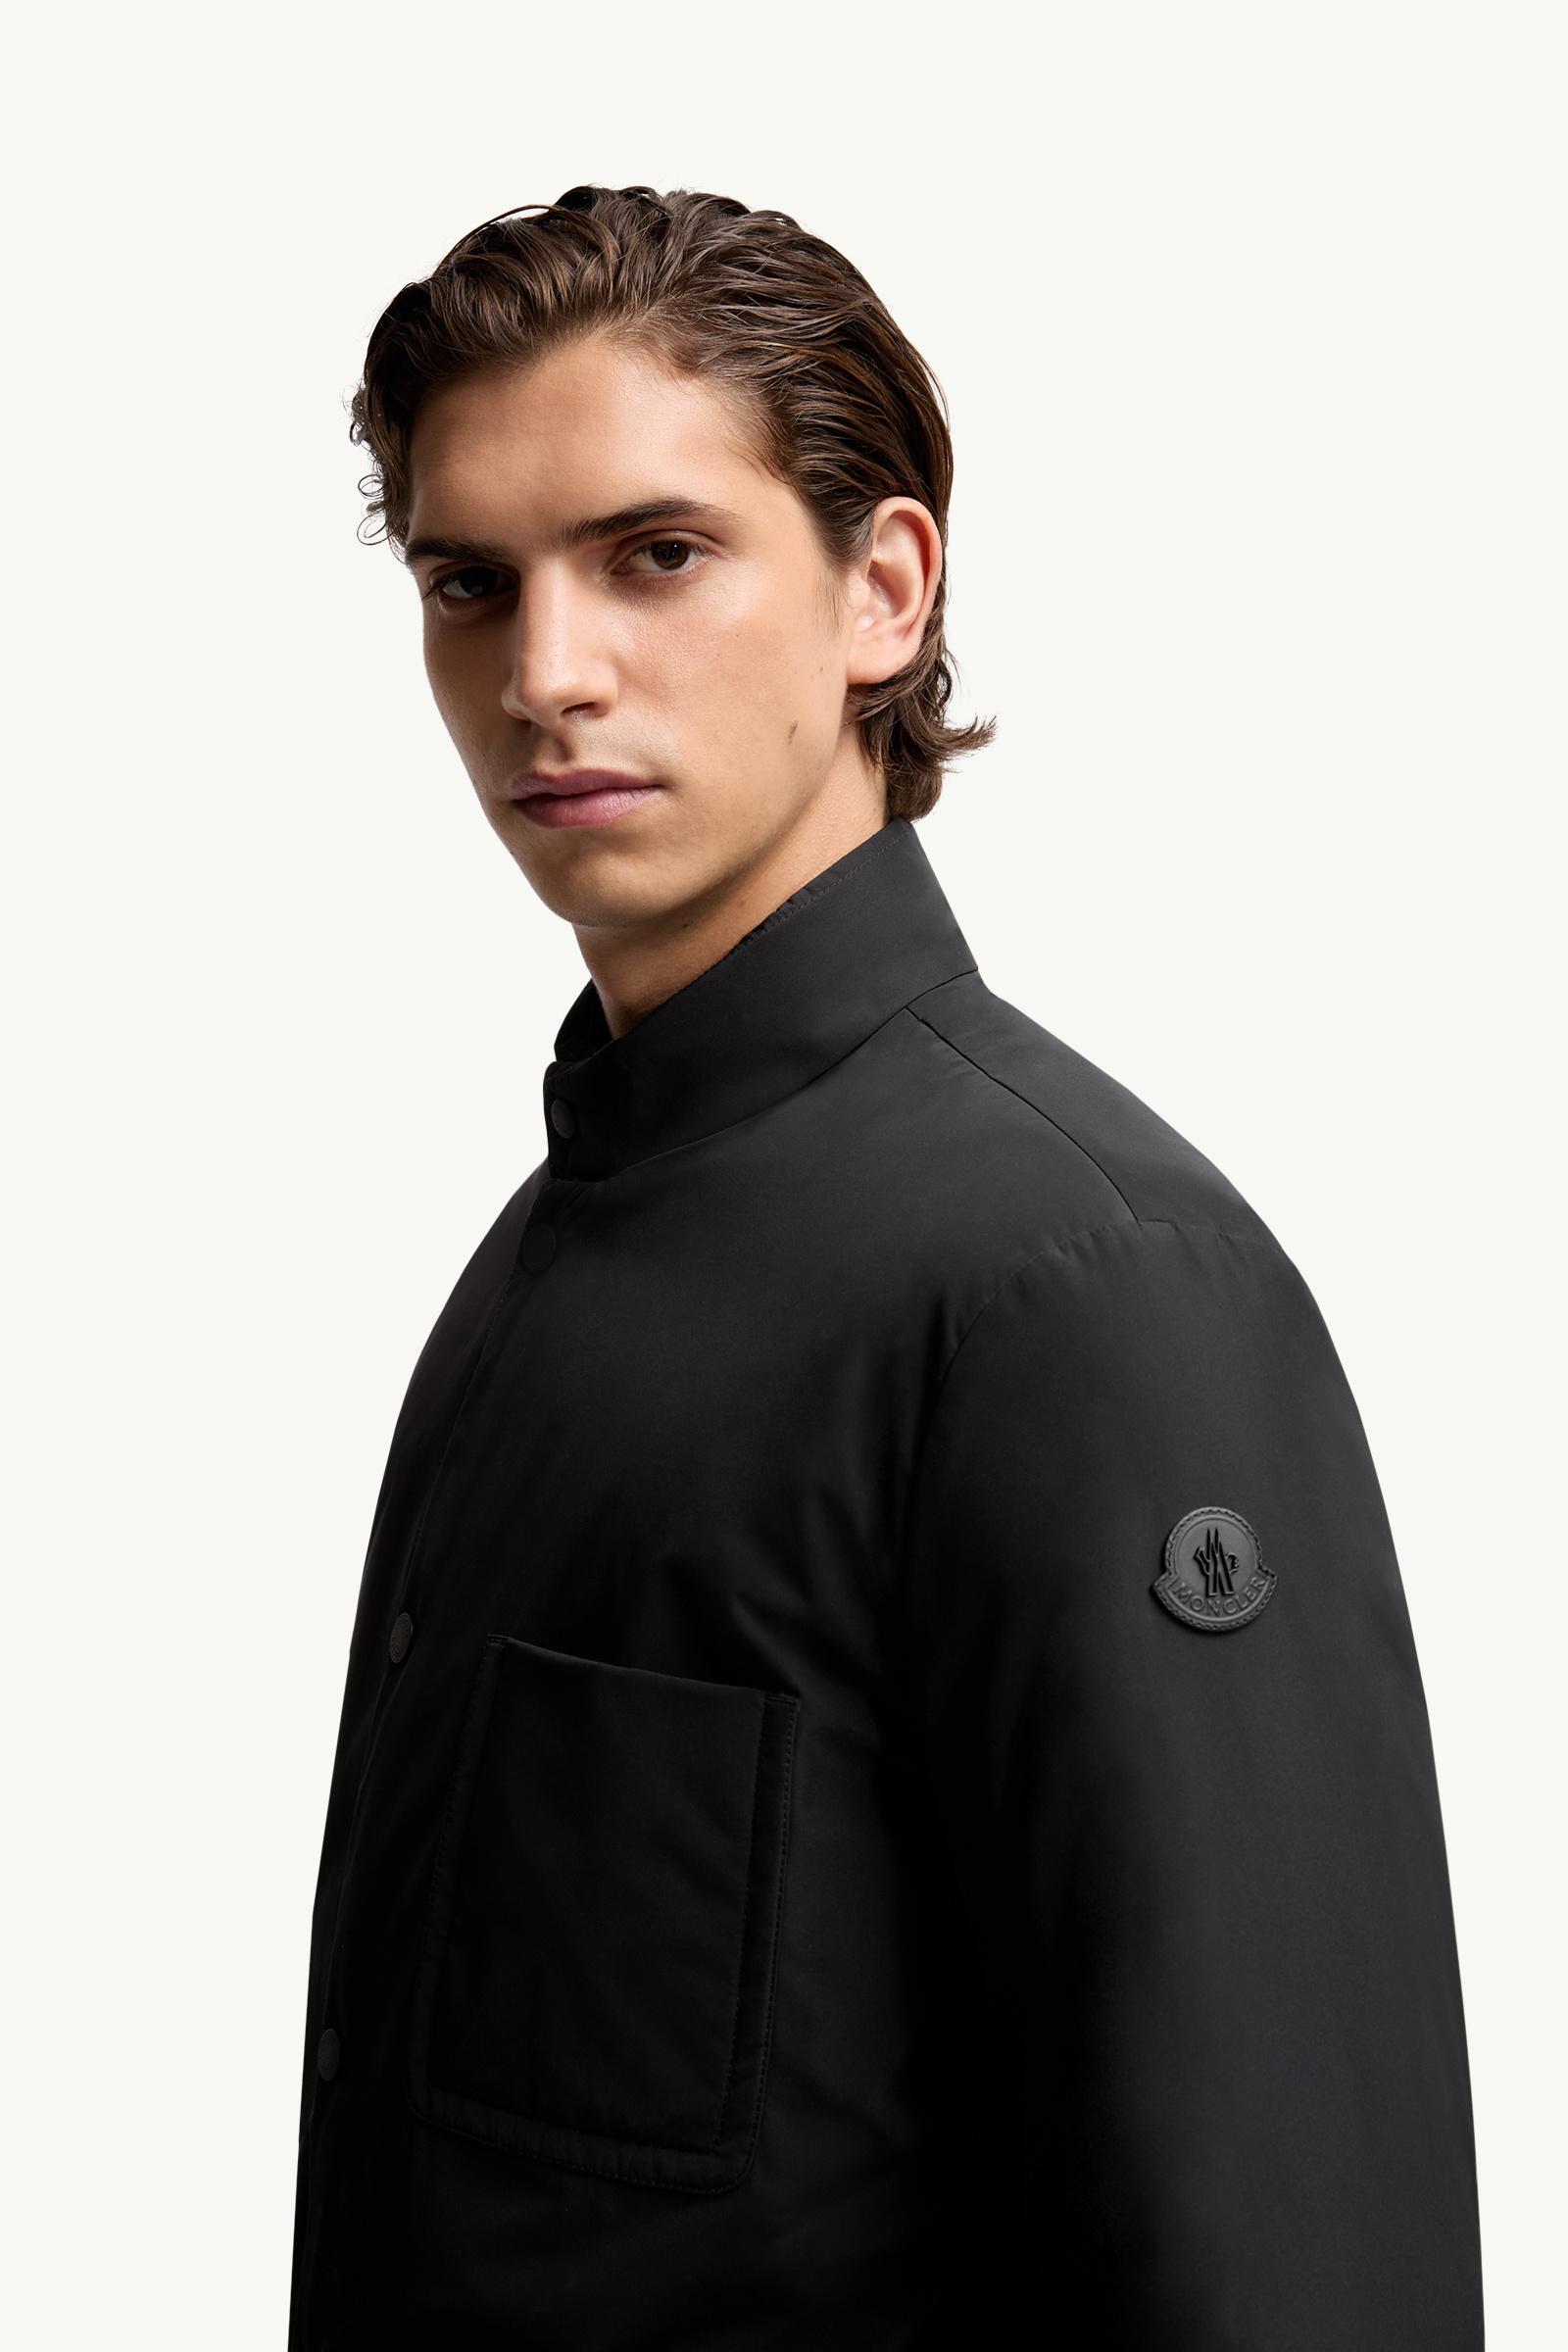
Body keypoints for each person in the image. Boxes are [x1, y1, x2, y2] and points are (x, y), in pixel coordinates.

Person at [288, 183, 1484, 2350]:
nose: (546, 676)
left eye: (656, 555)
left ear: (882, 587)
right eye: (473, 583)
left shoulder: (1084, 1289)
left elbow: (1298, 2262)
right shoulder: (555, 1244)